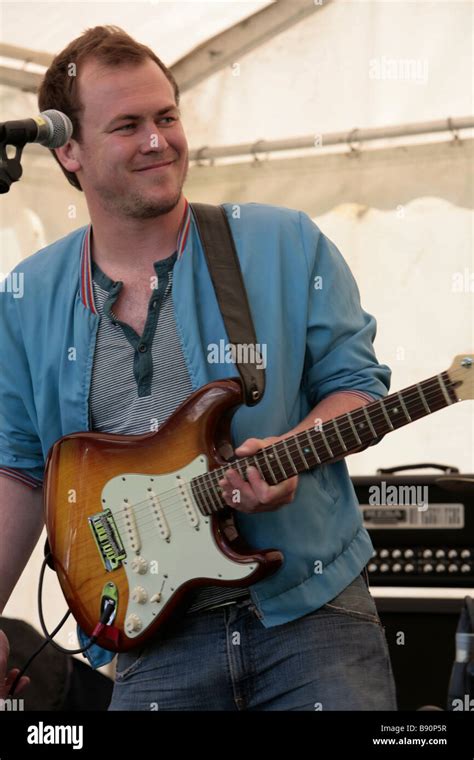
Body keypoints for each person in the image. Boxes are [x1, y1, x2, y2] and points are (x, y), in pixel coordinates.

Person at [0, 26, 397, 711]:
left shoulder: (284, 241)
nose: (158, 140)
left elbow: (357, 389)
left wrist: (291, 455)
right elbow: (18, 467)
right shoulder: (28, 294)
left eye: (166, 117)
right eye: (127, 125)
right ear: (68, 149)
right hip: (149, 642)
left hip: (310, 617)